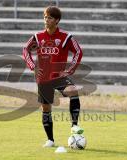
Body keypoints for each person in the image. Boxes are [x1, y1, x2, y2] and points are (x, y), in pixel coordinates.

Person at [23, 6, 84, 147]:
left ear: (57, 20)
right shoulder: (38, 37)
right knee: (46, 108)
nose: (46, 20)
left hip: (59, 76)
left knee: (73, 91)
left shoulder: (66, 37)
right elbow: (25, 50)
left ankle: (74, 126)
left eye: (49, 17)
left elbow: (78, 52)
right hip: (43, 78)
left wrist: (70, 70)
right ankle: (50, 140)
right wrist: (33, 66)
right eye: (45, 17)